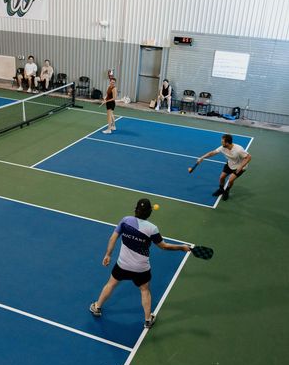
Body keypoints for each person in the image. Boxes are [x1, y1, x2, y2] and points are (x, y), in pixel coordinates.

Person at [90, 198, 191, 328]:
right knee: (144, 290)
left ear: (135, 209)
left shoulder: (125, 221)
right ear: (149, 212)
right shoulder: (152, 229)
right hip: (141, 269)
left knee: (111, 284)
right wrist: (181, 247)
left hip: (123, 265)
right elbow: (164, 246)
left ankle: (97, 307)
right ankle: (148, 320)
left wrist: (108, 254)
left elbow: (113, 238)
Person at [197, 133, 252, 201]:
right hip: (230, 164)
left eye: (222, 141)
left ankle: (226, 191)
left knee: (231, 179)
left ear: (227, 143)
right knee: (221, 177)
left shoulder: (238, 149)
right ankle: (221, 189)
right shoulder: (222, 148)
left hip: (240, 167)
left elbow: (248, 157)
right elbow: (212, 153)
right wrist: (202, 158)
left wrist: (241, 167)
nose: (221, 142)